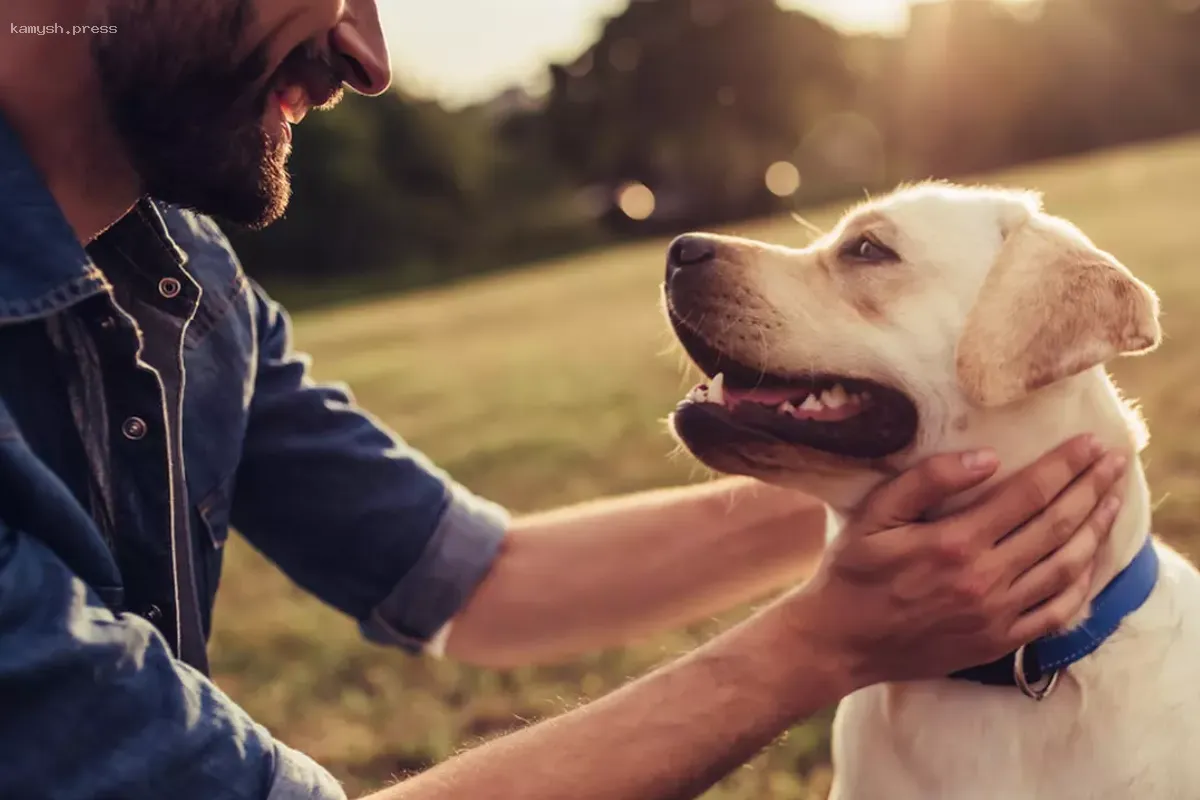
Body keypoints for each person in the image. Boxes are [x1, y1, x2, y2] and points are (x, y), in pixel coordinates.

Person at [0, 2, 1127, 799]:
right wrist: (816, 647)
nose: (369, 50)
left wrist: (943, 477)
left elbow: (483, 580)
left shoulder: (189, 285)